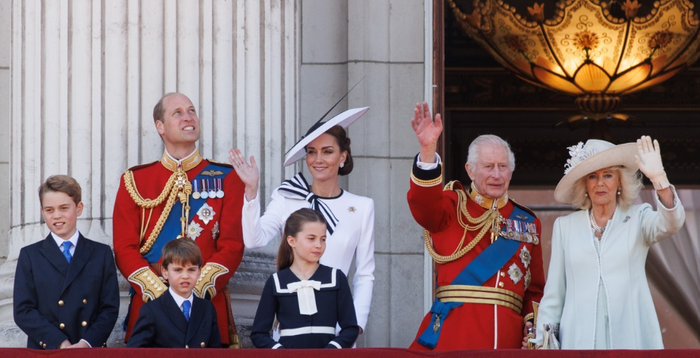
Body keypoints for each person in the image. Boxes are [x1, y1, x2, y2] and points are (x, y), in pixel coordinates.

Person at [407, 102, 545, 350]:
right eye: (488, 166)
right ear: (470, 170)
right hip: (455, 335)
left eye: (503, 167)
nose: (497, 174)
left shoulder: (528, 222)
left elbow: (534, 291)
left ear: (511, 172)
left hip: (508, 340)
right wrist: (427, 150)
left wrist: (530, 328)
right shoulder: (451, 206)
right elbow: (423, 205)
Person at [113, 93, 245, 347]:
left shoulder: (227, 177)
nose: (189, 117)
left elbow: (232, 246)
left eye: (192, 111)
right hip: (151, 307)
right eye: (178, 113)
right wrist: (163, 294)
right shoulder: (134, 181)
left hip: (205, 308)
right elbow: (124, 248)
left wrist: (194, 290)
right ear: (159, 126)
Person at [229, 106, 374, 334]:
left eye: (327, 151)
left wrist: (354, 326)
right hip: (289, 322)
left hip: (337, 324)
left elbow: (365, 273)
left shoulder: (363, 207)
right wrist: (251, 191)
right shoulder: (286, 196)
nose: (318, 159)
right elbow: (253, 240)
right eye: (311, 151)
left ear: (342, 156)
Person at [532, 136, 685, 349]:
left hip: (630, 338)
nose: (600, 183)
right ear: (584, 184)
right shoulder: (564, 227)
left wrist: (660, 180)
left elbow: (671, 223)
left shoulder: (639, 218)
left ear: (620, 181)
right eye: (592, 176)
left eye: (608, 175)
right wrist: (543, 341)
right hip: (579, 340)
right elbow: (554, 294)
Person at [14, 175, 120, 349]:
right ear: (42, 212)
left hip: (88, 349)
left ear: (79, 208)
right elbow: (23, 311)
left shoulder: (101, 253)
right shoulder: (30, 255)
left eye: (64, 208)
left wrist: (86, 344)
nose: (57, 216)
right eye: (49, 210)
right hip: (47, 349)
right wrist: (59, 342)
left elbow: (109, 308)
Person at [251, 208, 359, 348]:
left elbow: (350, 328)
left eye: (323, 239)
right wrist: (281, 352)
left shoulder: (336, 278)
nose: (319, 245)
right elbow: (259, 334)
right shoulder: (276, 282)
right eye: (311, 238)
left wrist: (331, 350)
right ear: (292, 241)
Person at [127, 238, 221, 348]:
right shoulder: (152, 311)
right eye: (178, 270)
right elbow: (134, 352)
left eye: (191, 270)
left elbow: (215, 351)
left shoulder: (207, 308)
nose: (185, 276)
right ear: (165, 272)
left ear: (199, 272)